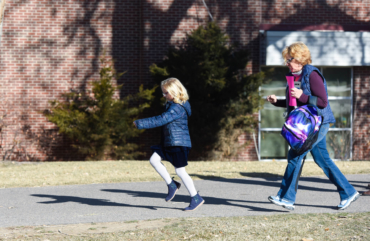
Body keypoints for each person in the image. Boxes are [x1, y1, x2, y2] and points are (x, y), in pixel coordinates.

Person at [266, 42, 359, 211]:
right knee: (322, 159)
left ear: (300, 59)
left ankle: (286, 198)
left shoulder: (312, 74)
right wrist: (277, 102)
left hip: (319, 123)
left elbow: (322, 102)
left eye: (290, 60)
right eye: (286, 60)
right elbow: (294, 102)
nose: (287, 63)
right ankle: (348, 192)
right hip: (306, 125)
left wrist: (303, 95)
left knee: (296, 155)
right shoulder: (292, 76)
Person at [133, 77, 205, 211]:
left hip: (178, 143)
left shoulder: (177, 108)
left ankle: (195, 197)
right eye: (163, 92)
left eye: (166, 92)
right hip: (170, 142)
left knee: (180, 171)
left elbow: (161, 120)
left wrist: (140, 123)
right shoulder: (173, 105)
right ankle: (172, 185)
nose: (164, 95)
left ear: (175, 91)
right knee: (154, 160)